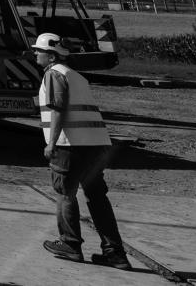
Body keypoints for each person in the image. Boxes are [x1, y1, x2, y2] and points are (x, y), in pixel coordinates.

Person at [33, 32, 131, 270]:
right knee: (97, 197)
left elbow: (58, 109)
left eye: (39, 51)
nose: (35, 54)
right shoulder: (76, 76)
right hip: (95, 146)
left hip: (70, 144)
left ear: (51, 55)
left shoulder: (53, 75)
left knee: (65, 193)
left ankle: (70, 244)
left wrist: (51, 143)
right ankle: (114, 253)